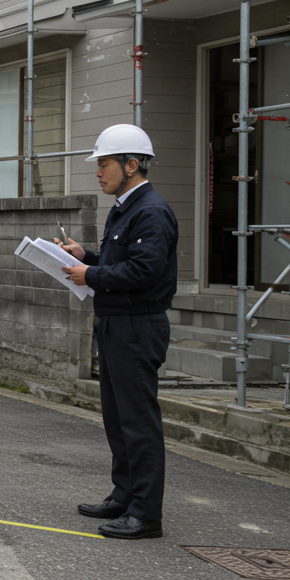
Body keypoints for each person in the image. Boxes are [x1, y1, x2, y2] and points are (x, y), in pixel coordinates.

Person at [56, 123, 176, 540]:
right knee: (118, 416)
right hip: (117, 323)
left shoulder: (150, 210)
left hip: (137, 325)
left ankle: (145, 513)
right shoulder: (126, 207)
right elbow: (121, 259)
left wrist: (90, 272)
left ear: (131, 164)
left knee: (138, 420)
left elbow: (145, 270)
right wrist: (85, 255)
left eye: (104, 164)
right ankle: (124, 495)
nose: (98, 171)